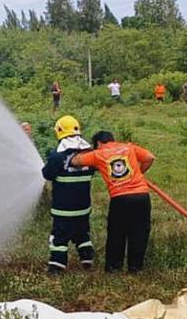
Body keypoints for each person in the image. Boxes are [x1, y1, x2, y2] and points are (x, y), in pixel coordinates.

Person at [70, 132, 156, 273]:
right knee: (139, 233)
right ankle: (135, 269)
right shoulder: (129, 148)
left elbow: (76, 161)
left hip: (120, 198)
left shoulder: (98, 154)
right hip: (142, 196)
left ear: (98, 143)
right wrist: (139, 173)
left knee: (117, 233)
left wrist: (84, 151)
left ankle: (114, 268)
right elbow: (150, 157)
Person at [41, 116, 95, 274]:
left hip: (63, 209)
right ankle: (87, 259)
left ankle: (56, 266)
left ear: (59, 131)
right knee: (82, 233)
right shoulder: (90, 154)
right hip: (83, 207)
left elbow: (47, 174)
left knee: (59, 237)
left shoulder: (57, 157)